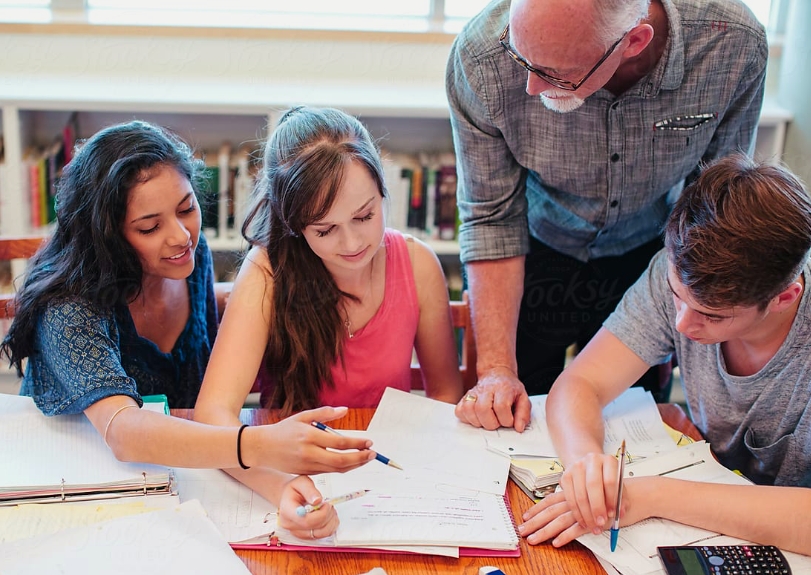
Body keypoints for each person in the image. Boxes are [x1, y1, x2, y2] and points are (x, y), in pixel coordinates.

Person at [0, 120, 374, 541]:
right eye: (149, 227)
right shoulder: (68, 306)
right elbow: (122, 431)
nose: (181, 237)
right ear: (107, 236)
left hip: (182, 481)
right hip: (72, 500)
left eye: (186, 208)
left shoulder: (188, 262)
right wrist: (260, 444)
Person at [447, 0, 768, 432]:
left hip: (651, 258)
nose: (530, 88)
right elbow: (490, 217)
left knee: (632, 427)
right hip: (532, 251)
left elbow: (713, 204)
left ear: (634, 41)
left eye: (555, 73)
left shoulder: (732, 45)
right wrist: (496, 371)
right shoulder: (481, 58)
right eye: (522, 58)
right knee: (515, 420)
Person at [519, 154, 811, 554]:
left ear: (784, 297)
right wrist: (585, 461)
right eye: (676, 297)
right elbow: (581, 382)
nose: (682, 326)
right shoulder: (679, 273)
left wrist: (646, 496)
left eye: (712, 315)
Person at [194, 105, 463, 422]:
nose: (352, 244)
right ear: (293, 224)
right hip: (293, 459)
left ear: (383, 189)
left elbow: (446, 395)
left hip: (388, 457)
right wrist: (280, 472)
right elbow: (213, 413)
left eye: (364, 216)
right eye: (324, 229)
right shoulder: (268, 270)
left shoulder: (417, 264)